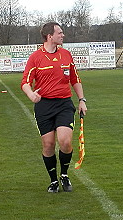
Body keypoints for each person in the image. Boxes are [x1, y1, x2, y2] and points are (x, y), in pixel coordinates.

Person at [21, 22, 87, 193]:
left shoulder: (66, 55)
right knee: (48, 145)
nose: (62, 35)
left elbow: (75, 79)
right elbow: (25, 82)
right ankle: (53, 181)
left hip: (64, 103)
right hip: (44, 106)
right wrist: (31, 95)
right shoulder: (36, 57)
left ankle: (64, 175)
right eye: (59, 33)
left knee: (65, 141)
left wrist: (82, 100)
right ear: (49, 36)